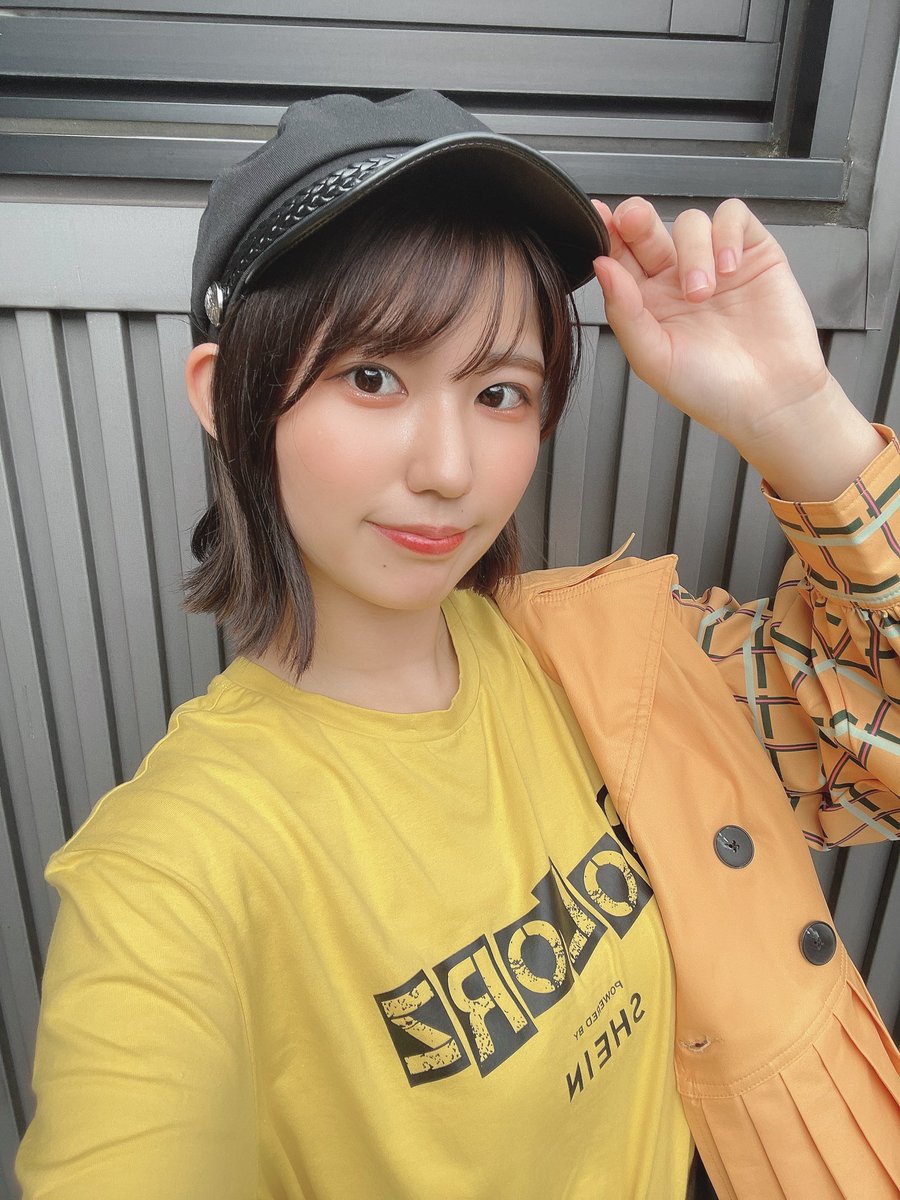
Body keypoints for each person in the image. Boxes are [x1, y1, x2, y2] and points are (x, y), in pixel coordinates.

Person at [15, 90, 900, 1199]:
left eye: (499, 392)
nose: (447, 467)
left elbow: (878, 733)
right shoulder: (173, 874)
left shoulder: (611, 661)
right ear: (225, 393)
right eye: (372, 376)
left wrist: (795, 412)